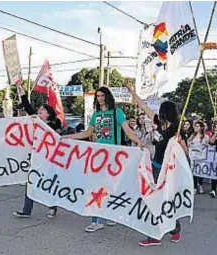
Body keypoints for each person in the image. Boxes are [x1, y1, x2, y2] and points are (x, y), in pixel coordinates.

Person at [63, 86, 144, 233]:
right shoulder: (95, 115)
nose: (100, 98)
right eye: (98, 96)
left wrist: (138, 141)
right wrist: (68, 137)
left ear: (108, 97)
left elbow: (127, 130)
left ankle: (109, 214)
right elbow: (88, 133)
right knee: (97, 186)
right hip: (99, 156)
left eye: (102, 95)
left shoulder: (117, 113)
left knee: (111, 186)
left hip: (114, 156)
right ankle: (96, 220)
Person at [125, 82, 188, 246]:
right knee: (153, 199)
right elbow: (142, 105)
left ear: (167, 113)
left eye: (162, 112)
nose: (159, 114)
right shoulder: (158, 124)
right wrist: (132, 90)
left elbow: (186, 152)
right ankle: (155, 234)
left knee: (165, 200)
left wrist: (180, 142)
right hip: (155, 166)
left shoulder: (177, 129)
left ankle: (173, 228)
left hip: (169, 171)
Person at [13, 83, 62, 219]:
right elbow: (27, 107)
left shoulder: (53, 125)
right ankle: (26, 210)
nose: (39, 112)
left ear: (49, 114)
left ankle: (52, 207)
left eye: (42, 110)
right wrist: (21, 91)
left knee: (48, 183)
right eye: (39, 110)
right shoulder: (36, 122)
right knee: (31, 182)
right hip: (36, 158)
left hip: (50, 160)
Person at [188, 121, 208, 194]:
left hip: (201, 157)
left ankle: (201, 185)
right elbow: (189, 143)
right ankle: (194, 187)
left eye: (197, 126)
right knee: (194, 172)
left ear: (201, 127)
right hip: (193, 156)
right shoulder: (192, 136)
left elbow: (208, 145)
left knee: (200, 172)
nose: (196, 128)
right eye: (195, 126)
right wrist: (190, 143)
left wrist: (204, 145)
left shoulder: (205, 136)